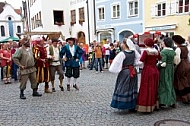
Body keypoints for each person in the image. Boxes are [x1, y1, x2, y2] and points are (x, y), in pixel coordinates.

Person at [109, 39, 142, 110]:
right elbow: (139, 61)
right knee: (132, 87)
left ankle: (123, 104)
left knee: (123, 87)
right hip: (133, 71)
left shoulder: (122, 54)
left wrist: (117, 69)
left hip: (125, 72)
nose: (121, 45)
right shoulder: (134, 52)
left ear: (125, 44)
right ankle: (132, 104)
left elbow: (116, 64)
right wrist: (133, 65)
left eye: (122, 43)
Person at [136, 38, 161, 113]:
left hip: (147, 70)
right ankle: (154, 104)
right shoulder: (157, 51)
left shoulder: (146, 52)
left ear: (146, 44)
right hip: (155, 70)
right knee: (154, 87)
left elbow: (141, 62)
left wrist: (134, 64)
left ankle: (146, 105)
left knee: (146, 87)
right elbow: (160, 59)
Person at [158, 37, 177, 108]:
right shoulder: (172, 51)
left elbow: (163, 63)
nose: (162, 43)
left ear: (165, 43)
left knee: (164, 84)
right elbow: (175, 61)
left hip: (165, 70)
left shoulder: (163, 52)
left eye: (162, 42)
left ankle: (164, 101)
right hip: (171, 68)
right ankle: (172, 101)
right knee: (170, 83)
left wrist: (157, 66)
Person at [172, 35, 190, 104]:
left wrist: (175, 65)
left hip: (181, 64)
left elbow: (177, 59)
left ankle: (184, 97)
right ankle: (188, 96)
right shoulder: (186, 48)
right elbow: (188, 56)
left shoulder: (178, 49)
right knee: (185, 79)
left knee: (180, 80)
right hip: (186, 63)